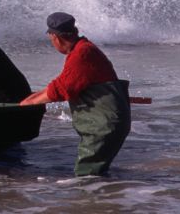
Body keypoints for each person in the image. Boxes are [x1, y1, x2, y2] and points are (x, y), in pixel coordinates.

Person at [20, 12, 131, 177]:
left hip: (103, 127)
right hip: (107, 124)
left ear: (56, 37)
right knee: (95, 174)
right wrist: (28, 100)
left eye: (51, 40)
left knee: (86, 176)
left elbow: (61, 90)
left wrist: (25, 105)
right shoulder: (83, 49)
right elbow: (60, 84)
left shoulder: (82, 54)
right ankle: (106, 198)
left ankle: (96, 201)